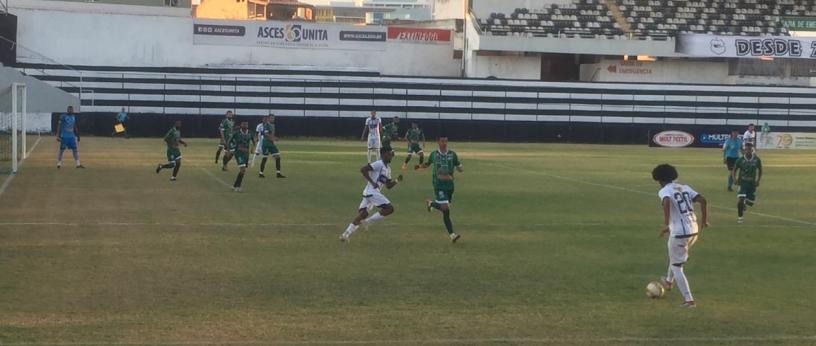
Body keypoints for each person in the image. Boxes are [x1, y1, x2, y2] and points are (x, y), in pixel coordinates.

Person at [652, 163, 709, 308]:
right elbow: (703, 200)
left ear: (659, 180)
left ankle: (689, 300)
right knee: (674, 257)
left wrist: (666, 224)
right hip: (694, 230)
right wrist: (705, 220)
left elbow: (666, 201)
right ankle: (669, 282)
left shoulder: (664, 190)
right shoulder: (685, 187)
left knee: (677, 266)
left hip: (679, 233)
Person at [340, 145, 402, 242]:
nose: (391, 156)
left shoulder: (388, 169)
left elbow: (388, 185)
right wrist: (372, 182)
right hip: (372, 192)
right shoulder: (379, 164)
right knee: (389, 208)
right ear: (384, 154)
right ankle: (368, 222)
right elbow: (363, 169)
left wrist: (397, 180)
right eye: (390, 154)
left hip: (369, 194)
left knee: (362, 215)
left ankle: (345, 235)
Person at [417, 137, 463, 243]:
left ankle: (431, 203)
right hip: (438, 185)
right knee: (446, 209)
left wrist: (460, 169)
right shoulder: (434, 154)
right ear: (438, 142)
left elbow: (459, 167)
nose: (444, 143)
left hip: (450, 186)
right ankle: (452, 235)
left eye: (446, 141)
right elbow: (428, 163)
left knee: (445, 208)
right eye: (442, 141)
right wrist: (420, 166)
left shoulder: (452, 154)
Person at [732, 143, 763, 224]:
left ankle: (746, 202)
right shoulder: (740, 160)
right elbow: (734, 170)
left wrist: (758, 180)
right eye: (746, 149)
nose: (747, 151)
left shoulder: (756, 159)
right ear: (744, 150)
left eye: (749, 149)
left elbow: (760, 170)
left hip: (752, 183)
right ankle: (740, 217)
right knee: (740, 200)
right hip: (742, 183)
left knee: (751, 202)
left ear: (752, 150)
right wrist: (734, 179)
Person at [229, 121, 255, 192]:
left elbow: (254, 141)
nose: (245, 125)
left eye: (246, 124)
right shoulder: (237, 133)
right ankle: (238, 186)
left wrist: (253, 148)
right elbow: (230, 141)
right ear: (241, 125)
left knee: (243, 171)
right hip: (238, 153)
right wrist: (232, 149)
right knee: (242, 169)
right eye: (244, 124)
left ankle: (234, 186)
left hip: (246, 154)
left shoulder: (250, 133)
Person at [259, 114, 286, 178]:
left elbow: (270, 134)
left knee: (278, 157)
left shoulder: (273, 125)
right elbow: (266, 134)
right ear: (268, 119)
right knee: (265, 158)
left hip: (271, 144)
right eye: (271, 118)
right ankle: (261, 173)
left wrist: (273, 139)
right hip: (266, 144)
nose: (272, 119)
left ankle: (278, 173)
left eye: (273, 118)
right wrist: (273, 138)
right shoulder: (267, 125)